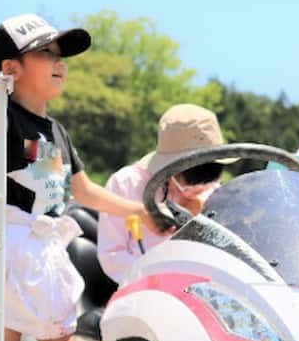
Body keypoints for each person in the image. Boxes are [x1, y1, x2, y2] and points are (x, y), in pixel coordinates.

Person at [0, 13, 165, 341]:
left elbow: (83, 190)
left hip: (45, 247)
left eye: (60, 55)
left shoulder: (57, 130)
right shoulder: (1, 115)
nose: (59, 62)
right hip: (6, 241)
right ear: (12, 68)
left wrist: (137, 211)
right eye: (45, 53)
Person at [96, 103, 232, 284]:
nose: (201, 188)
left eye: (208, 180)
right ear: (169, 167)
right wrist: (156, 278)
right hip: (143, 291)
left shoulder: (218, 193)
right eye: (192, 180)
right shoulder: (126, 184)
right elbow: (112, 254)